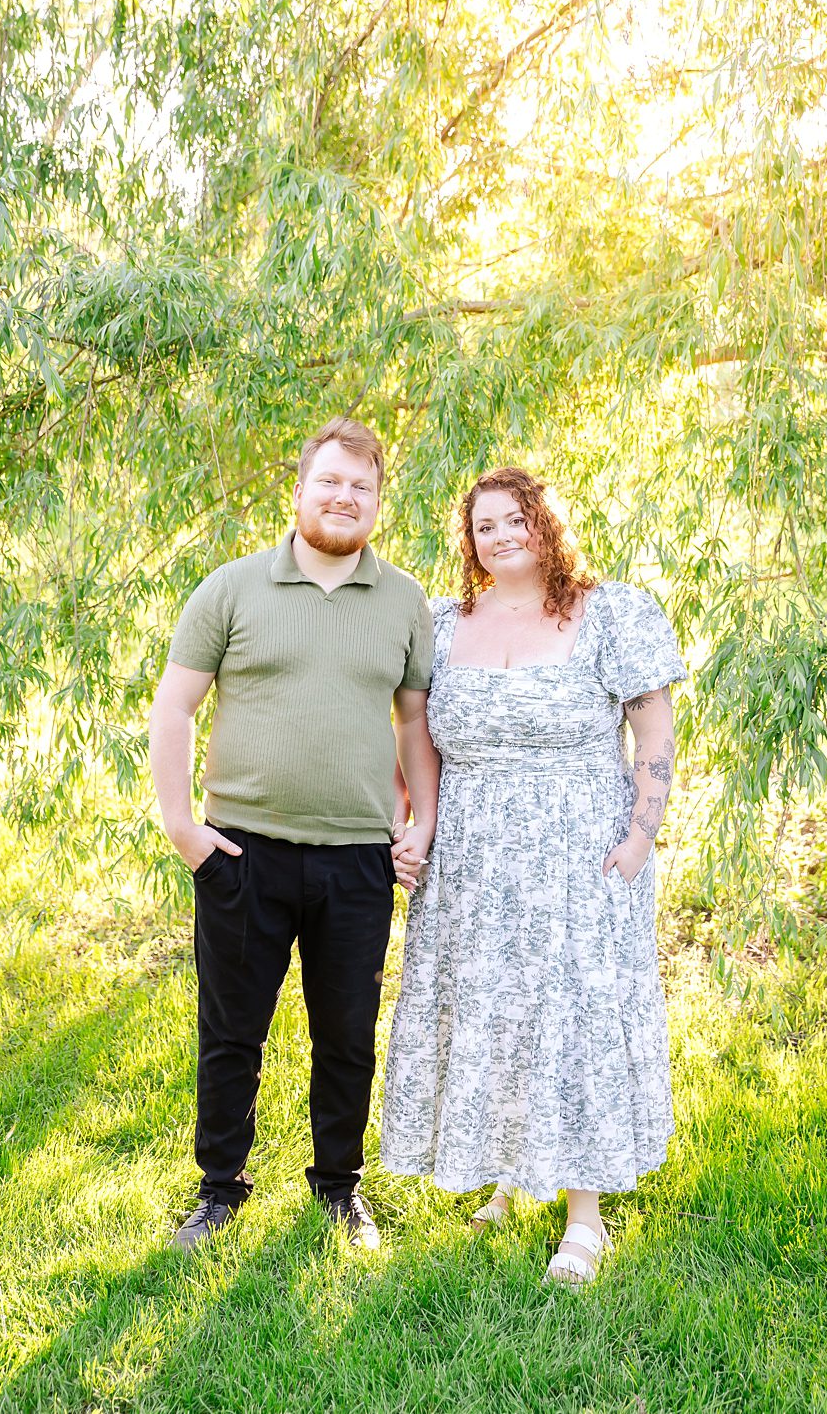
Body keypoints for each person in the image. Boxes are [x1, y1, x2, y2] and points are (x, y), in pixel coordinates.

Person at [379, 465, 686, 1287]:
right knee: (491, 1006)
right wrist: (412, 825)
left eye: (516, 519)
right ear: (469, 541)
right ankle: (507, 1172)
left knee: (571, 1013)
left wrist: (640, 836)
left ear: (546, 524)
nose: (502, 534)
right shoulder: (443, 625)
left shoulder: (608, 611)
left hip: (578, 851)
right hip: (475, 857)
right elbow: (417, 744)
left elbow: (653, 732)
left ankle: (584, 1216)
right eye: (485, 525)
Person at [149, 418, 439, 1253]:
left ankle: (339, 1189)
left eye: (362, 487)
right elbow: (174, 706)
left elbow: (414, 723)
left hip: (357, 859)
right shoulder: (231, 589)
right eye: (331, 482)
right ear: (301, 489)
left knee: (345, 1032)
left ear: (378, 502)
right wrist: (183, 827)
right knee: (233, 1029)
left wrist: (422, 820)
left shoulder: (404, 601)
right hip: (243, 852)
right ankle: (218, 1190)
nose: (344, 498)